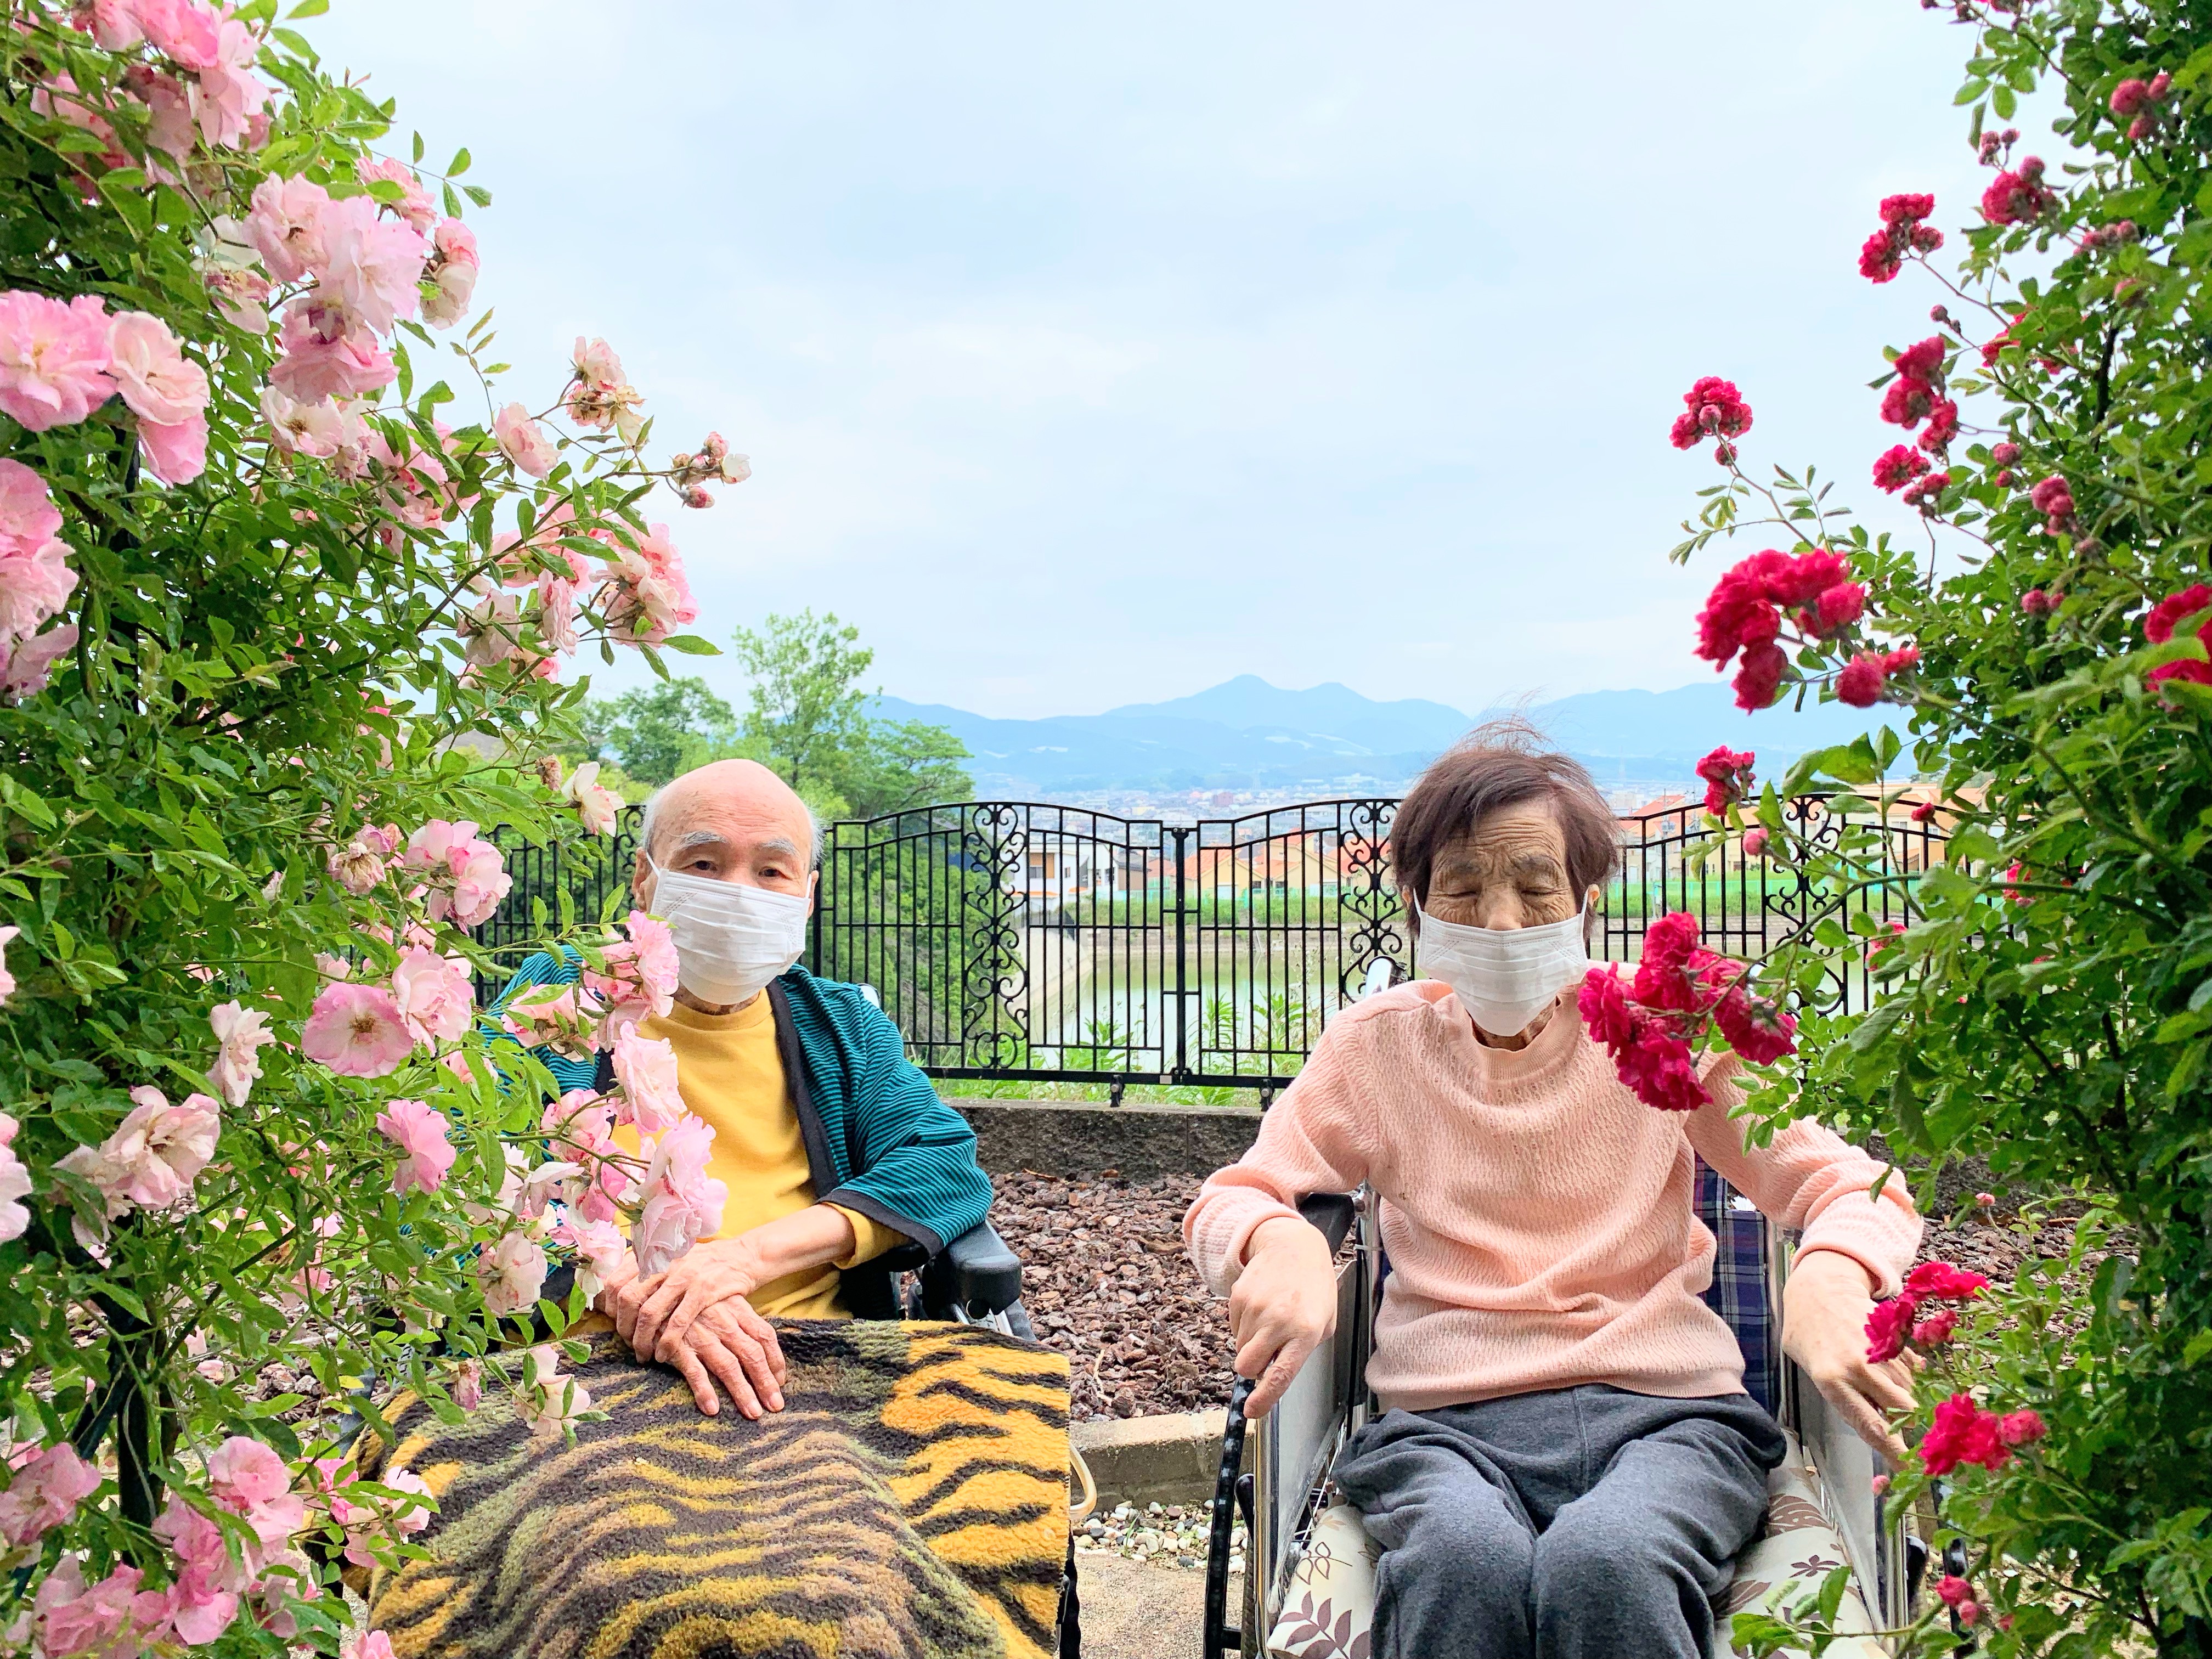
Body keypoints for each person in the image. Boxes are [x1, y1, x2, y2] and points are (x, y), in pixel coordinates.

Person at [1183, 727, 1922, 1659]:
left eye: (1535, 886)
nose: (1500, 922)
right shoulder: (1377, 1047)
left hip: (1671, 1415)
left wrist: (1832, 1274)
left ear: (1584, 905)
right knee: (1462, 1561)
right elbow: (1235, 1197)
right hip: (1441, 1426)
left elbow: (1851, 1184)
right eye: (1462, 887)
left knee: (1608, 1562)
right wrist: (1281, 1241)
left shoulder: (1664, 1026)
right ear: (1417, 907)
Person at [492, 758, 994, 1420]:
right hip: (580, 1376)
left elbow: (943, 1163)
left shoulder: (840, 1025)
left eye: (771, 871)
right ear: (645, 878)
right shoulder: (558, 999)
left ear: (806, 896)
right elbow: (465, 1179)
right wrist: (637, 1289)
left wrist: (740, 1262)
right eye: (703, 864)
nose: (737, 893)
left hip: (805, 1366)